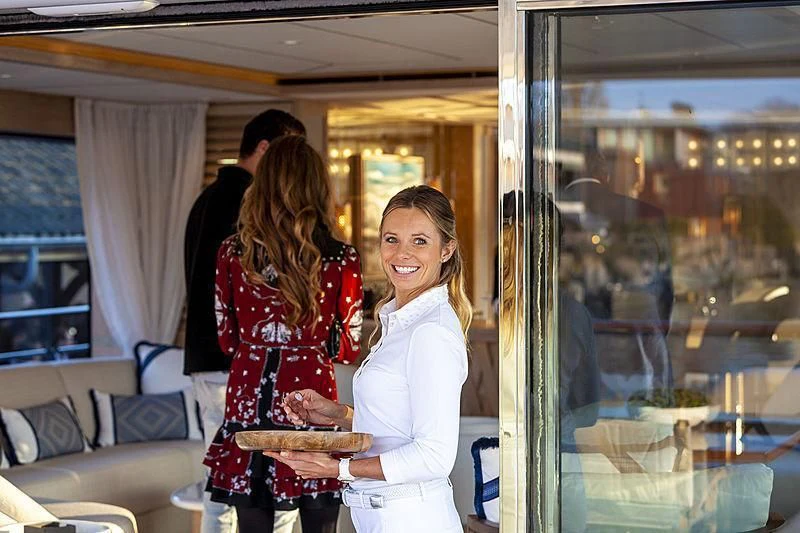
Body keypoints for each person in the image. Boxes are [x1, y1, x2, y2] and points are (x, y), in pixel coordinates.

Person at [268, 185, 472, 533]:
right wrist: (337, 413)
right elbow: (396, 427)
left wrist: (337, 469)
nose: (401, 254)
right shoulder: (400, 320)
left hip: (411, 520)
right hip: (386, 517)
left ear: (446, 249)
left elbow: (434, 456)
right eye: (391, 239)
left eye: (420, 241)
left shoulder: (429, 332)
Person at [205, 135, 363, 533]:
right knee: (319, 514)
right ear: (317, 188)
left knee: (252, 521)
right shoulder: (342, 259)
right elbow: (347, 347)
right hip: (310, 393)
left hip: (249, 392)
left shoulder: (231, 253)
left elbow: (226, 338)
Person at [183, 109, 306, 533]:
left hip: (208, 356)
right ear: (266, 149)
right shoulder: (248, 205)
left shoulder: (206, 198)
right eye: (290, 154)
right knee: (258, 480)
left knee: (224, 480)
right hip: (238, 361)